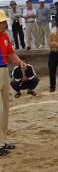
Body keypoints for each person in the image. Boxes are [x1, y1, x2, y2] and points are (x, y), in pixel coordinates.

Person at [0, 10, 27, 156]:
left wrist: (20, 62)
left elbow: (11, 54)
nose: (4, 24)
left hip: (4, 71)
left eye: (4, 22)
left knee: (5, 108)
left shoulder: (5, 37)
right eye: (1, 22)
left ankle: (2, 140)